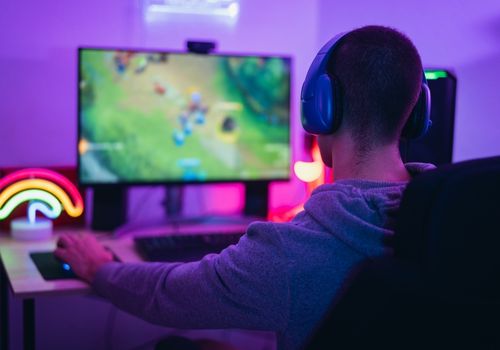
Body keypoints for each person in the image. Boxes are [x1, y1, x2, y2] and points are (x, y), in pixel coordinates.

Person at [56, 25, 435, 350]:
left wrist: (101, 268)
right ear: (416, 113)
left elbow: (168, 295)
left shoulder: (291, 252)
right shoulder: (459, 217)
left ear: (320, 106)